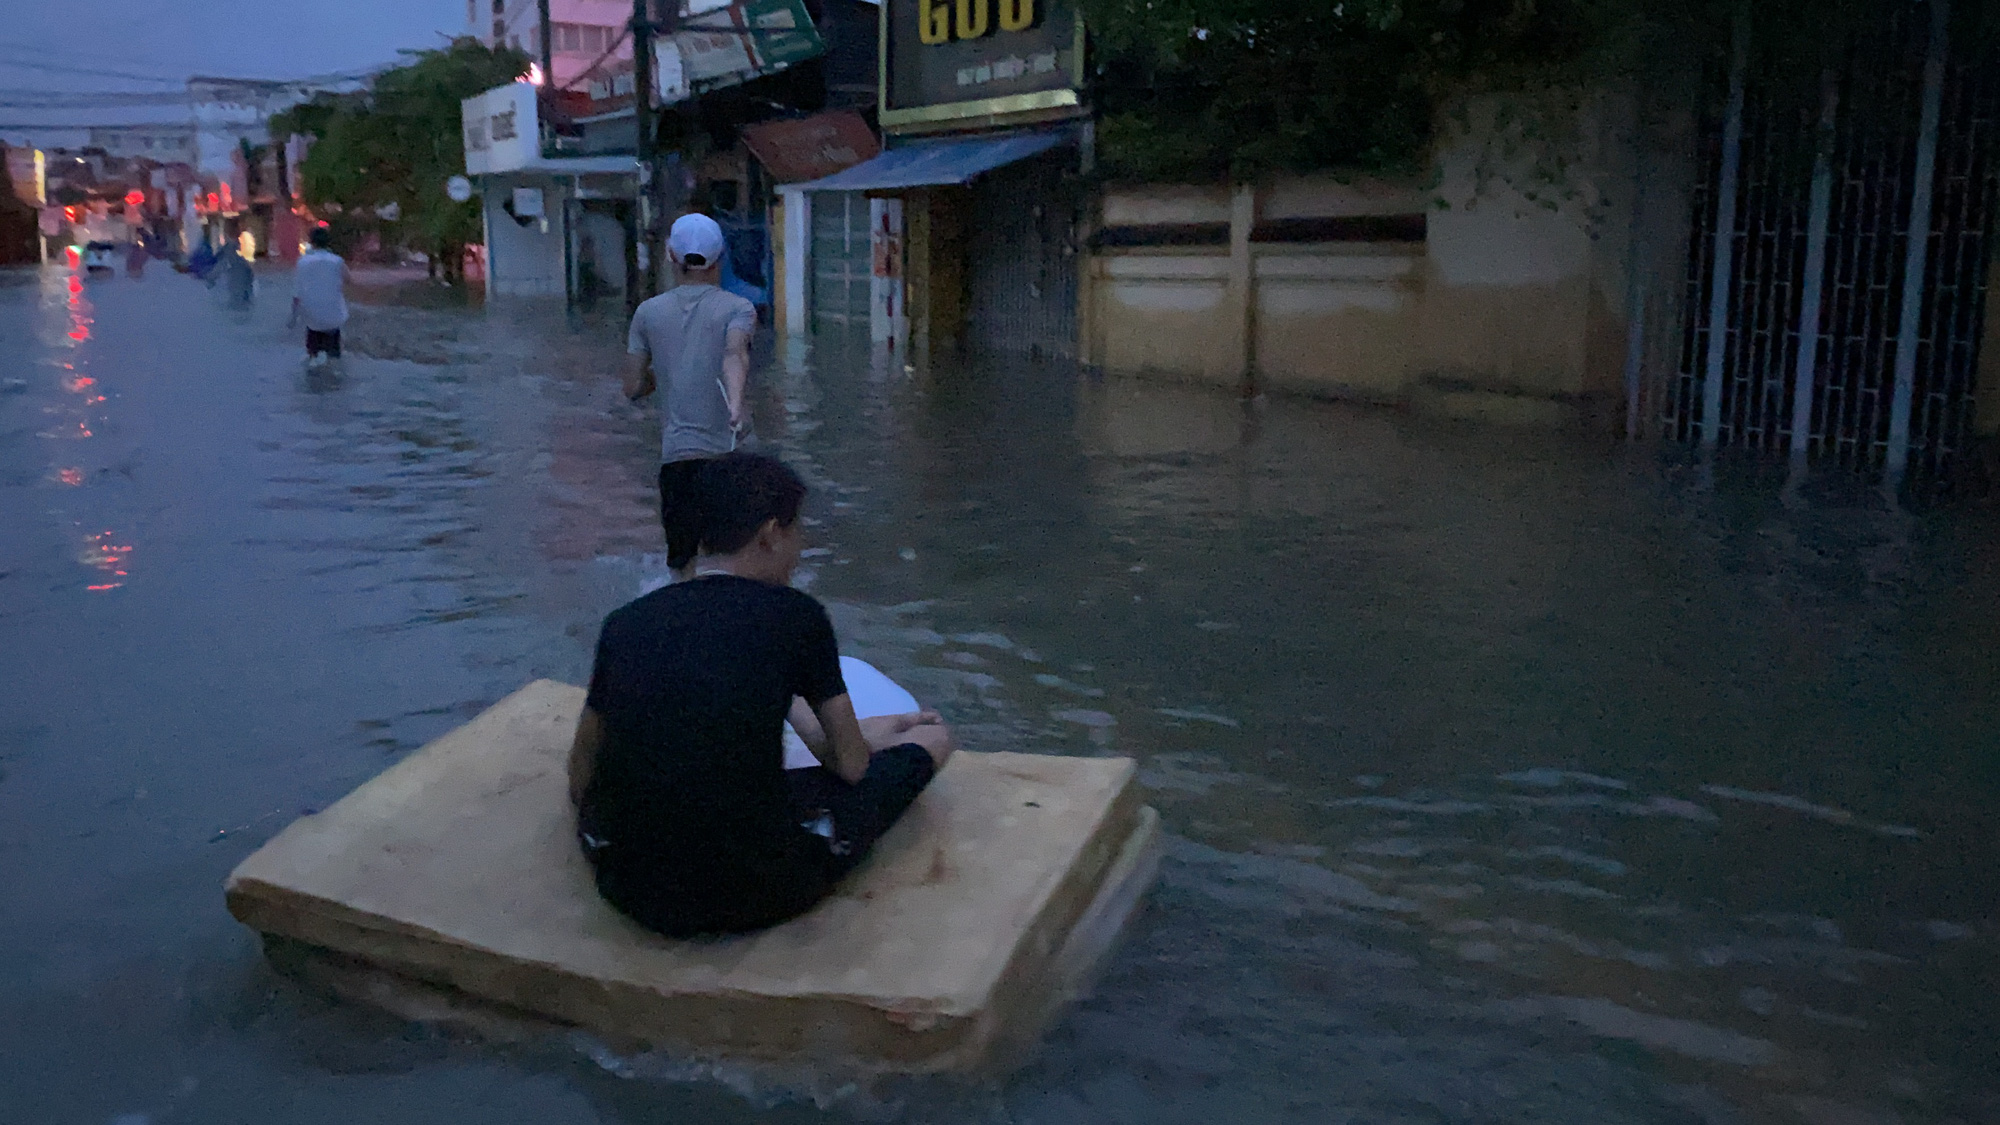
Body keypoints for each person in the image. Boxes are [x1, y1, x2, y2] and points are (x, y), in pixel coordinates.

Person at [567, 452, 957, 938]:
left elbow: (581, 768)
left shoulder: (627, 622)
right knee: (932, 743)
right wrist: (898, 740)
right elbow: (852, 766)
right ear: (771, 534)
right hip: (757, 889)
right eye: (798, 534)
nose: (800, 549)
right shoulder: (797, 616)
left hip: (630, 888)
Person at [623, 212, 756, 578]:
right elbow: (735, 353)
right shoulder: (739, 308)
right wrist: (735, 403)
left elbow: (632, 387)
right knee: (735, 563)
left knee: (683, 568)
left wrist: (659, 377)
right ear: (721, 257)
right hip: (727, 459)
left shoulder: (647, 313)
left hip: (677, 462)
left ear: (670, 255)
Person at [290, 227, 351, 366]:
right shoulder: (337, 261)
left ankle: (313, 359)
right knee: (334, 358)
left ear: (312, 242)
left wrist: (293, 318)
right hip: (334, 315)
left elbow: (297, 295)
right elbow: (349, 280)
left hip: (312, 317)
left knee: (312, 355)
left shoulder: (302, 262)